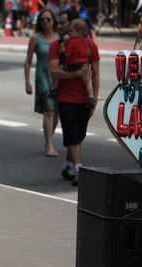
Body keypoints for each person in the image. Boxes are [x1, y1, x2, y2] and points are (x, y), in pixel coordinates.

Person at [48, 8, 100, 186]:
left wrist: (94, 98)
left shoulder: (89, 45)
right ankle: (79, 169)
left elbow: (95, 74)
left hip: (85, 99)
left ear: (73, 24)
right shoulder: (57, 46)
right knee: (73, 135)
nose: (60, 26)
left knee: (78, 135)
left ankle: (68, 164)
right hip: (65, 98)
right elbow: (54, 71)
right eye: (59, 23)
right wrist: (77, 73)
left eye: (63, 23)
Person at [24, 8, 60, 157]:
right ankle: (50, 146)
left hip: (58, 77)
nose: (45, 22)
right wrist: (27, 82)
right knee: (49, 111)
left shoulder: (60, 37)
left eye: (48, 19)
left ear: (53, 21)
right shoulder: (35, 38)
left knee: (57, 111)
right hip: (42, 77)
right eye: (42, 20)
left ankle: (48, 140)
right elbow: (27, 61)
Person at [62, 18, 94, 108]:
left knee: (58, 70)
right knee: (87, 81)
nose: (69, 33)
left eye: (71, 31)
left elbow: (67, 53)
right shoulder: (84, 41)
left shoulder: (72, 42)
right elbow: (88, 53)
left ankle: (54, 88)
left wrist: (64, 46)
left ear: (79, 32)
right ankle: (91, 96)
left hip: (73, 64)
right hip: (83, 64)